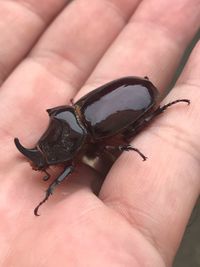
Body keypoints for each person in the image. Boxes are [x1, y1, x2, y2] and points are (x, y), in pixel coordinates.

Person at [0, 0, 199, 266]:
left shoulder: (83, 140)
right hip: (131, 92)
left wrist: (50, 191)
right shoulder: (73, 114)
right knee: (125, 138)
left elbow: (71, 167)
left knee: (129, 134)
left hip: (141, 98)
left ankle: (164, 111)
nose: (45, 163)